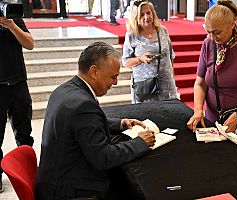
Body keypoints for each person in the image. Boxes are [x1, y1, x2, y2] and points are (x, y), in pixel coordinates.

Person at [35, 42, 156, 199]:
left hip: (54, 179)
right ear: (94, 71)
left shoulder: (64, 89)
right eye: (113, 76)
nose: (115, 82)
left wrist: (120, 124)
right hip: (69, 191)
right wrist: (140, 142)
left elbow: (80, 125)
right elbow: (103, 158)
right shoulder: (83, 105)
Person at [186, 0, 237, 150]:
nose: (212, 37)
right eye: (208, 31)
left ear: (232, 24)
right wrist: (198, 110)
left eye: (217, 32)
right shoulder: (208, 43)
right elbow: (200, 83)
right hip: (214, 121)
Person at [0, 16, 34, 192]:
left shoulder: (12, 17)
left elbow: (30, 43)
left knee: (24, 133)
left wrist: (11, 26)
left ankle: (29, 170)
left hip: (18, 84)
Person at [122, 0, 178, 103]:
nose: (146, 17)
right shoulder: (132, 35)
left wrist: (171, 77)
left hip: (166, 85)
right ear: (136, 17)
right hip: (145, 87)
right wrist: (140, 59)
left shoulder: (163, 31)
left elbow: (170, 57)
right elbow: (126, 62)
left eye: (148, 13)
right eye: (142, 15)